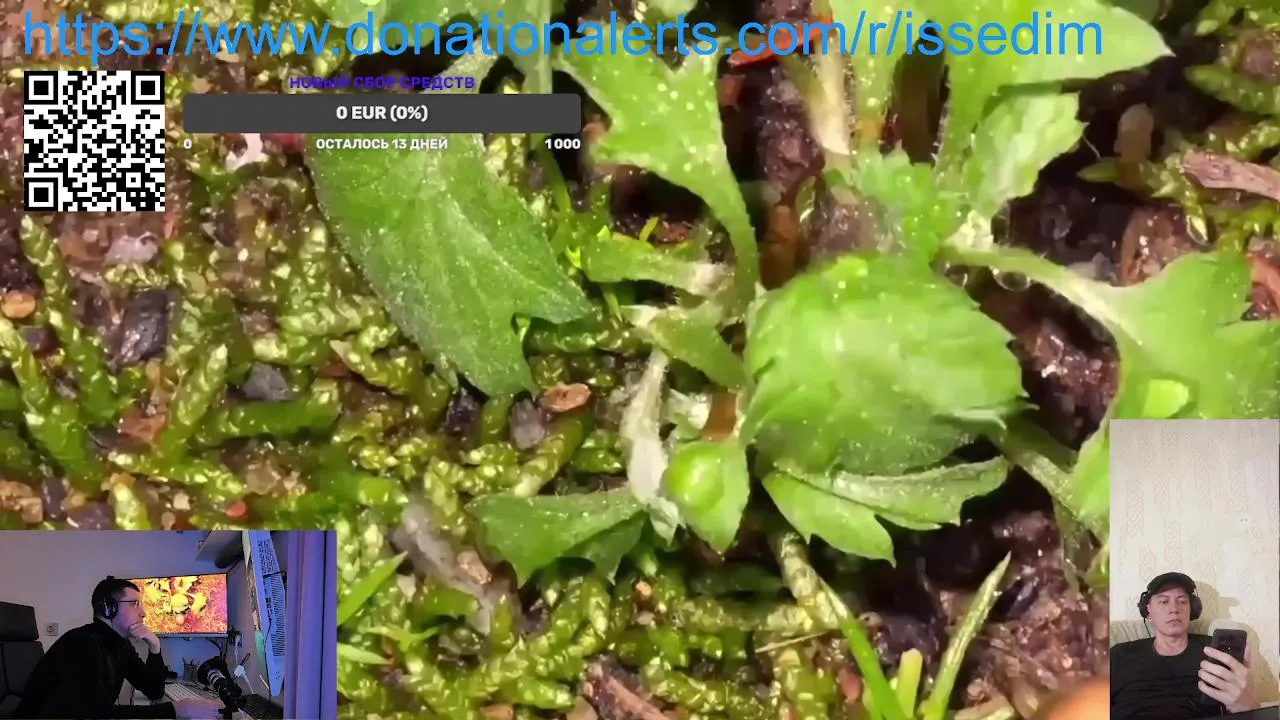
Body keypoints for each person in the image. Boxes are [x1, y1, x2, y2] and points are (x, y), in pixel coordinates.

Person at [14, 577, 224, 719]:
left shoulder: (120, 644)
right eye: (135, 604)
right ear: (109, 608)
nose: (144, 613)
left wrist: (155, 647)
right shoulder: (81, 644)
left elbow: (154, 690)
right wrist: (177, 710)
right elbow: (98, 714)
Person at [1111, 572, 1259, 719]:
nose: (1174, 609)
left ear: (1192, 609)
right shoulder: (1120, 654)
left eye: (1182, 601)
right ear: (1147, 610)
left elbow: (1243, 706)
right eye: (1164, 601)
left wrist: (1247, 706)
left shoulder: (1215, 651)